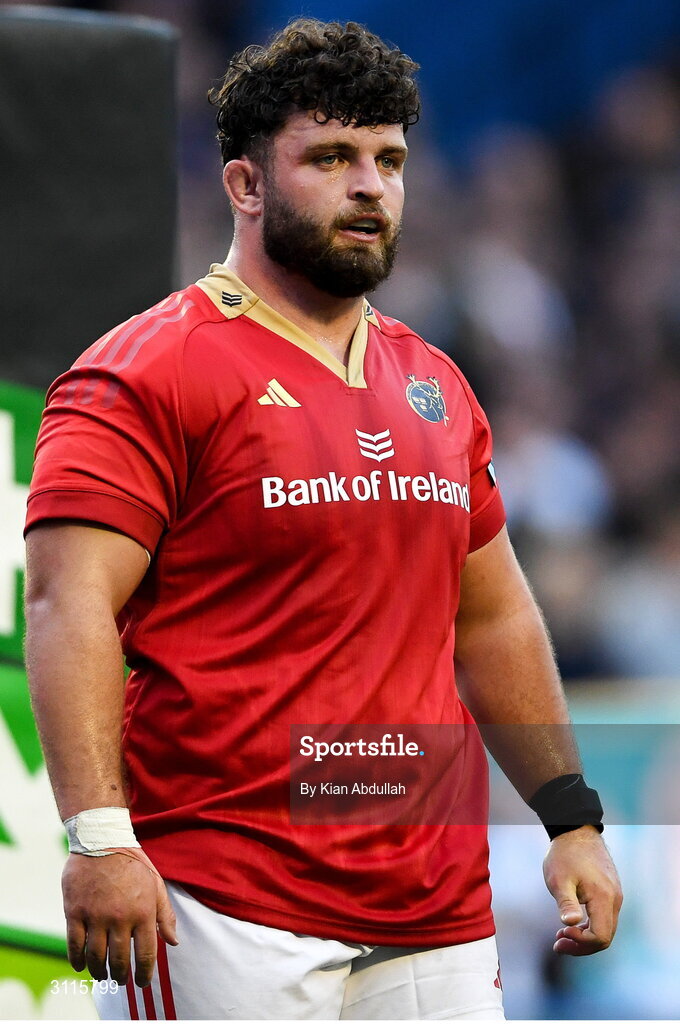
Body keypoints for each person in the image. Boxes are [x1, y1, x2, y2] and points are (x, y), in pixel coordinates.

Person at [24, 18, 622, 1021]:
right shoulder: (142, 372)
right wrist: (99, 837)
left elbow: (491, 619)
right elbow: (64, 604)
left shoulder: (436, 383)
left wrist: (570, 818)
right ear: (245, 184)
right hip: (221, 901)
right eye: (331, 157)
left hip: (434, 904)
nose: (370, 186)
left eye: (389, 160)